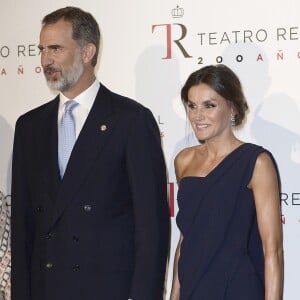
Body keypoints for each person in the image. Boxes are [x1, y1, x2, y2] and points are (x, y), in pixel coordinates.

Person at [11, 6, 170, 300]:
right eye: (42, 49)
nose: (46, 60)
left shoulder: (131, 120)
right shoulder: (29, 126)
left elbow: (152, 228)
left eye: (56, 48)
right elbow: (22, 228)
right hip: (47, 289)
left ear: (87, 52)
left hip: (108, 290)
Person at [169, 64, 283, 300]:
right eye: (192, 106)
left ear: (231, 108)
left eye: (209, 105)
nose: (198, 116)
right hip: (194, 287)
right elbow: (186, 236)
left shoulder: (256, 162)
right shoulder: (184, 160)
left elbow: (272, 250)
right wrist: (174, 295)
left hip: (238, 288)